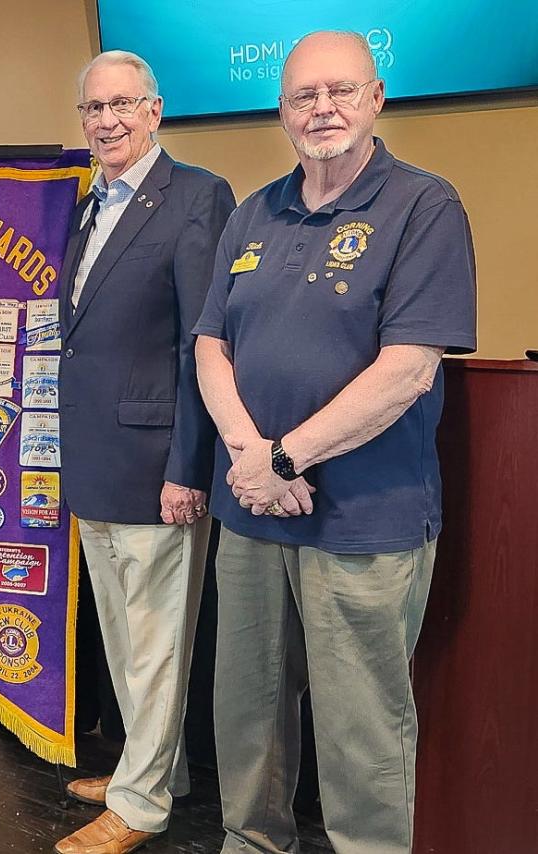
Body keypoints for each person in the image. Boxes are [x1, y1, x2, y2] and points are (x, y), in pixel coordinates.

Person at [192, 30, 476, 854]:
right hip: (252, 514)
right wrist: (251, 456)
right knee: (246, 713)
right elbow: (212, 346)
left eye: (341, 91)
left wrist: (286, 458)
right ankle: (250, 843)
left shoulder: (424, 205)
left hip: (365, 523)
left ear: (377, 98)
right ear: (281, 111)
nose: (323, 110)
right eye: (304, 97)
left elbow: (407, 370)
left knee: (362, 735)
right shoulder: (255, 210)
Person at [54, 51, 235, 854]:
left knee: (158, 643)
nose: (106, 121)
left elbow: (206, 345)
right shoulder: (89, 206)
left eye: (122, 105)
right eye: (94, 108)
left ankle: (142, 804)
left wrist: (186, 469)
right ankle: (151, 766)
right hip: (95, 461)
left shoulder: (197, 197)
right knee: (125, 639)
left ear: (155, 110)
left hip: (158, 464)